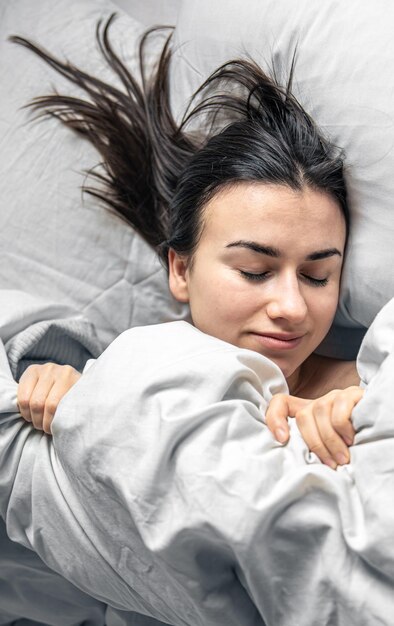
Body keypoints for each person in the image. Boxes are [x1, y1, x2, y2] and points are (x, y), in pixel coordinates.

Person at [13, 16, 363, 471]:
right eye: (255, 270)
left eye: (318, 276)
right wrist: (55, 382)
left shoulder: (364, 387)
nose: (292, 308)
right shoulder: (131, 371)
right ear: (180, 269)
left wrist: (357, 419)